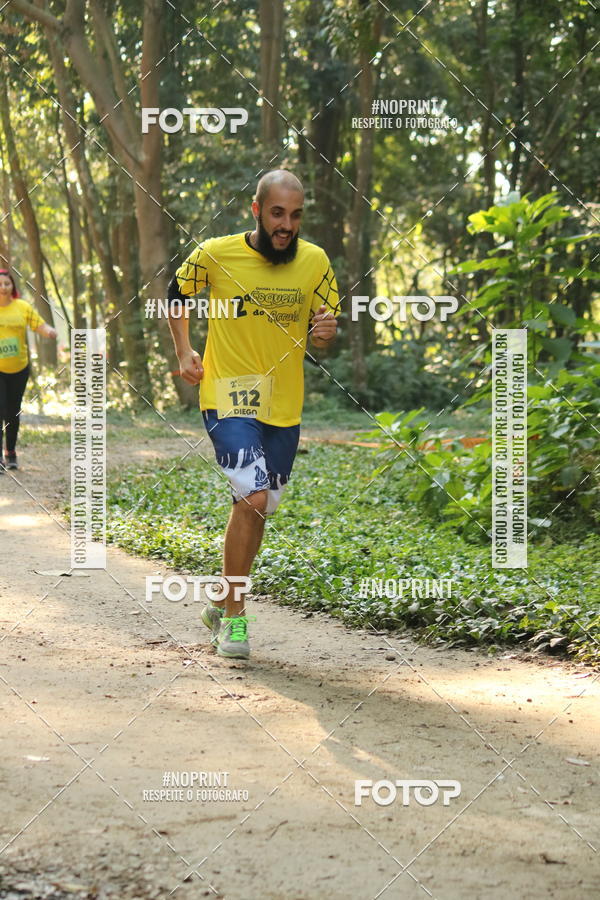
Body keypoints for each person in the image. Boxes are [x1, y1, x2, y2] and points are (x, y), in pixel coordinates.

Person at [167, 170, 339, 660]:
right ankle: (236, 622)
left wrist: (325, 332)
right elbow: (175, 294)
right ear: (257, 210)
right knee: (255, 494)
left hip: (284, 404)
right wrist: (184, 350)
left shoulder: (315, 261)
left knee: (259, 505)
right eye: (278, 213)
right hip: (227, 395)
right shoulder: (218, 253)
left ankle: (223, 602)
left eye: (296, 214)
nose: (287, 225)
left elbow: (324, 329)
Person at [0, 268, 57, 471]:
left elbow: (38, 325)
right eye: (0, 284)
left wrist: (49, 331)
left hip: (19, 369)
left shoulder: (22, 307)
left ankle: (11, 452)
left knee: (12, 412)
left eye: (7, 284)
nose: (3, 288)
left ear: (12, 286)